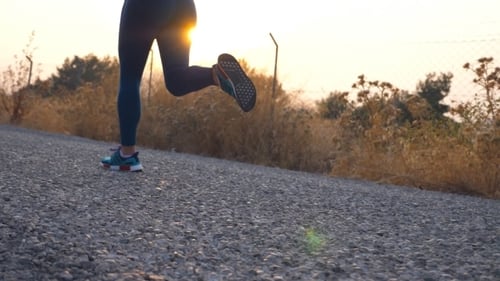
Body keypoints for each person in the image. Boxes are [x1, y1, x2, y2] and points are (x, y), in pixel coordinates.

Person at [101, 0, 257, 172]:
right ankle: (215, 75)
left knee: (130, 77)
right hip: (183, 7)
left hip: (144, 6)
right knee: (176, 78)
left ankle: (126, 154)